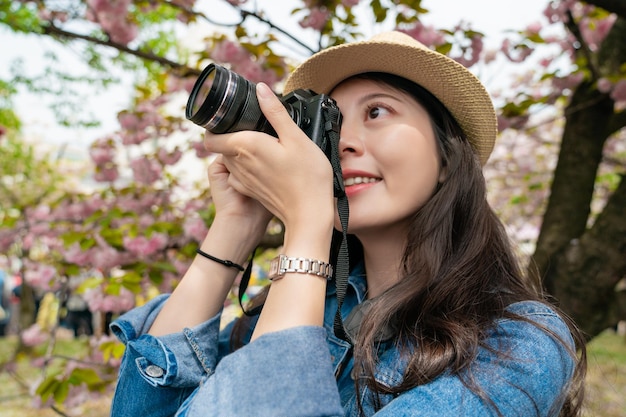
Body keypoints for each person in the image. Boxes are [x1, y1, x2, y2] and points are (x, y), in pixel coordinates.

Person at [109, 31, 586, 416]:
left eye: (377, 111)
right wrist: (234, 226)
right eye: (332, 124)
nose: (344, 143)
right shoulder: (297, 312)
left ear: (447, 156)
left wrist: (306, 220)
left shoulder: (519, 343)